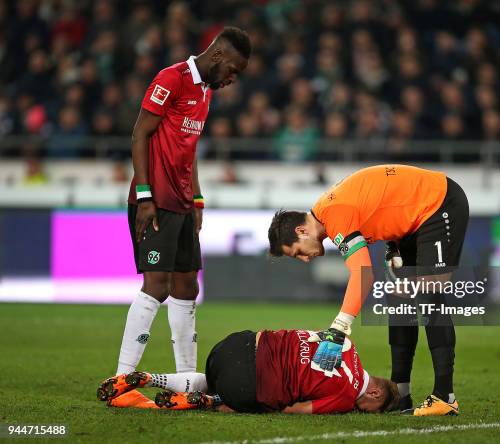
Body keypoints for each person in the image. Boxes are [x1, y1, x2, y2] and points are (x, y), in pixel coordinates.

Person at [267, 164, 469, 416]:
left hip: (439, 204)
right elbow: (382, 201)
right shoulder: (328, 211)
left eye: (297, 252)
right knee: (400, 298)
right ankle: (401, 395)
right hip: (412, 220)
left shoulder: (333, 214)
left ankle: (445, 397)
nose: (304, 259)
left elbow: (363, 275)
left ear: (301, 230)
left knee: (429, 296)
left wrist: (339, 328)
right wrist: (393, 240)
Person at [116, 27, 251, 377]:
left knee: (188, 285)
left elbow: (186, 153)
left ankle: (187, 378)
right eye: (233, 70)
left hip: (182, 203)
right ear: (218, 55)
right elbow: (140, 134)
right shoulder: (171, 79)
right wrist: (145, 196)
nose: (232, 79)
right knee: (156, 286)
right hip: (155, 201)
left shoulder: (206, 93)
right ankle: (121, 376)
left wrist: (198, 200)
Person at [98, 328, 399, 414]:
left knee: (209, 379)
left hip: (233, 344)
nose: (363, 412)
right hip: (244, 385)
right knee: (258, 401)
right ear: (374, 391)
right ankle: (211, 402)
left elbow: (308, 338)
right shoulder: (347, 397)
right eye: (371, 410)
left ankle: (151, 378)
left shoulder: (345, 342)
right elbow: (295, 410)